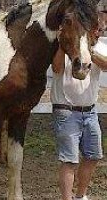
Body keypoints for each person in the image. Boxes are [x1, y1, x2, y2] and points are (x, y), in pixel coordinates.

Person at [51, 22, 107, 200]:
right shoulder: (67, 46)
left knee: (93, 156)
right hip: (66, 111)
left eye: (100, 30)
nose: (98, 32)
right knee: (69, 160)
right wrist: (65, 47)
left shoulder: (99, 47)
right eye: (95, 29)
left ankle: (80, 196)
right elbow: (57, 68)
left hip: (90, 111)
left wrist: (89, 52)